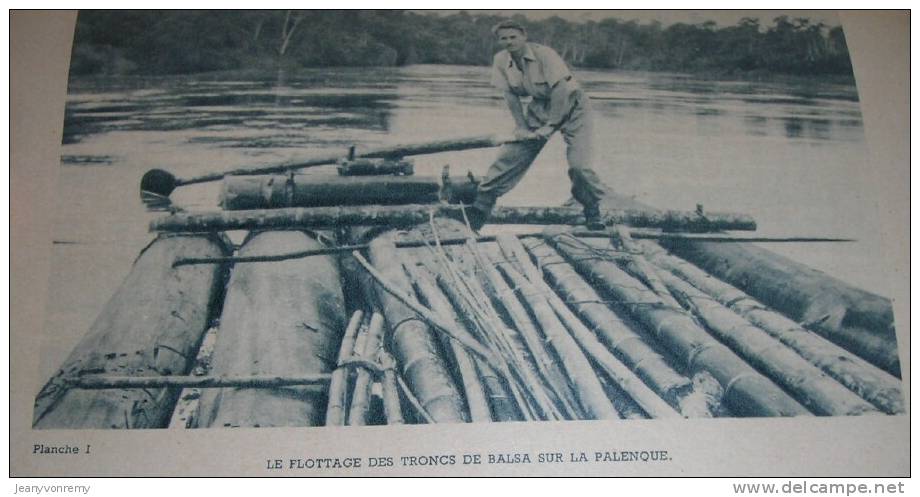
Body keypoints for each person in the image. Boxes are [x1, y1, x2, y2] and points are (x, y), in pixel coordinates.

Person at [467, 20, 607, 231]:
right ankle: (481, 207)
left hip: (573, 105)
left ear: (524, 36)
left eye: (513, 37)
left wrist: (550, 126)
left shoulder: (545, 54)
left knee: (579, 165)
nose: (509, 42)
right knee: (511, 156)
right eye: (504, 38)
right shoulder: (501, 60)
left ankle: (592, 208)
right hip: (540, 106)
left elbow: (561, 89)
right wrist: (521, 127)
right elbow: (510, 95)